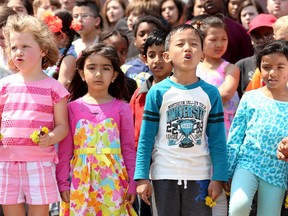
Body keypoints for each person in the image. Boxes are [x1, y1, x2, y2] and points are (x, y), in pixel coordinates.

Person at [135, 24, 228, 216]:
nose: (187, 48)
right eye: (180, 44)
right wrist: (142, 177)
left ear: (202, 55)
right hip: (163, 175)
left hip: (199, 176)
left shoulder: (211, 94)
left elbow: (218, 140)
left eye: (194, 44)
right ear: (168, 55)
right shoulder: (157, 92)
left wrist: (218, 177)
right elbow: (146, 138)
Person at [0, 14, 69, 216]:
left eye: (25, 46)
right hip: (6, 162)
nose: (18, 52)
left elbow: (63, 126)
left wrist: (51, 137)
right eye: (13, 47)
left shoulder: (54, 88)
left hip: (40, 163)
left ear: (43, 50)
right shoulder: (3, 86)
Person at [56, 43, 137, 215]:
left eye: (106, 68)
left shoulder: (122, 108)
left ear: (114, 75)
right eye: (91, 68)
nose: (98, 74)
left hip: (114, 180)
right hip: (80, 181)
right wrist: (62, 182)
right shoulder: (71, 108)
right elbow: (64, 151)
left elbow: (129, 149)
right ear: (81, 73)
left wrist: (133, 182)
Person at [227, 40, 288, 216]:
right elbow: (236, 135)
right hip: (248, 161)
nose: (272, 72)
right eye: (266, 66)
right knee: (239, 207)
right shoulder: (250, 97)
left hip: (277, 169)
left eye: (280, 67)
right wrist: (228, 171)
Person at [130, 29, 172, 216]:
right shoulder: (140, 94)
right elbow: (133, 132)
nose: (157, 60)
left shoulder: (182, 91)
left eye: (163, 54)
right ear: (144, 59)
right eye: (151, 55)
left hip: (172, 163)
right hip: (146, 163)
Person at [193, 15, 239, 136]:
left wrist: (191, 98)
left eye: (224, 39)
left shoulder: (231, 69)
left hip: (224, 128)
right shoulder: (192, 68)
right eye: (213, 40)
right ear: (200, 40)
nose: (220, 44)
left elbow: (225, 95)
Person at [236, 13, 276, 97]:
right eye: (257, 36)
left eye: (268, 34)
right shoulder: (242, 66)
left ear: (277, 35)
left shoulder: (285, 63)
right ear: (251, 40)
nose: (263, 40)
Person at [122, 15, 165, 87]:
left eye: (151, 34)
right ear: (135, 41)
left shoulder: (168, 66)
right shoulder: (125, 68)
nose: (146, 37)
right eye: (142, 34)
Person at [43, 10, 77, 89]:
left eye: (48, 34)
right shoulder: (51, 53)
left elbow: (62, 86)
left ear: (62, 37)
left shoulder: (69, 57)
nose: (44, 38)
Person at [99, 30, 138, 102]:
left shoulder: (130, 85)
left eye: (123, 52)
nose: (118, 56)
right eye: (113, 50)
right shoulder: (94, 81)